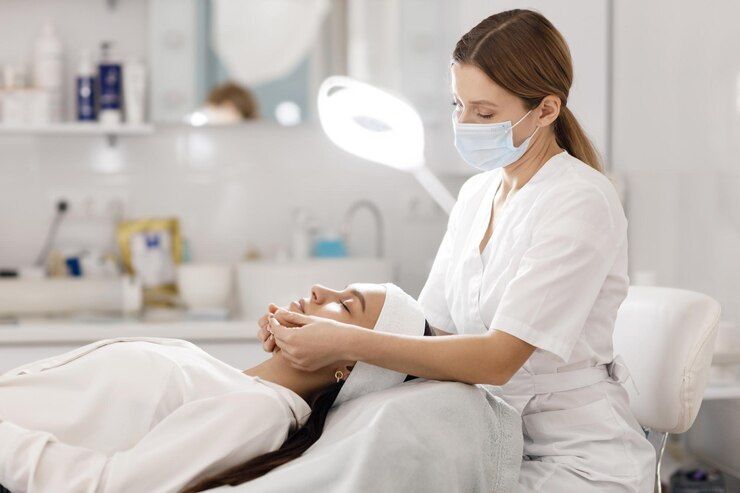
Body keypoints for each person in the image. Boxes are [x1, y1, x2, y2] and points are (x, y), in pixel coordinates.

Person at [261, 9, 655, 492]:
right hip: (484, 436)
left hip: (573, 458)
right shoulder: (477, 195)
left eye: (484, 113)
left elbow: (497, 360)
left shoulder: (580, 200)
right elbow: (432, 336)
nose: (464, 123)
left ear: (547, 110)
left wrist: (343, 342)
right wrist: (312, 341)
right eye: (457, 105)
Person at [0, 283, 428, 493]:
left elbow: (111, 488)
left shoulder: (260, 413)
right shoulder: (229, 380)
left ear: (349, 364)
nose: (320, 289)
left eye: (347, 303)